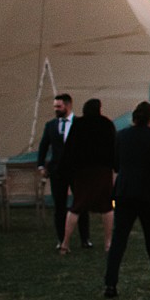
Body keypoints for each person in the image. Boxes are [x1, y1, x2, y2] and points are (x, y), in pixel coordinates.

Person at [103, 100, 150, 298]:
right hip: (147, 193)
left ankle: (110, 283)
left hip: (125, 192)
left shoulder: (122, 135)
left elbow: (116, 164)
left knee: (119, 239)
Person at [60, 98, 117, 254]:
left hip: (82, 172)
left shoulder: (78, 124)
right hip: (102, 171)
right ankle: (108, 243)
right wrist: (115, 167)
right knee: (106, 207)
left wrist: (68, 169)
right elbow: (114, 148)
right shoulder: (106, 124)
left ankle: (65, 243)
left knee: (76, 206)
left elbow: (69, 148)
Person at [37, 93, 79, 248]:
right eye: (55, 106)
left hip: (76, 170)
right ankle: (61, 238)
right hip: (57, 171)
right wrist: (41, 165)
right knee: (59, 206)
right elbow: (43, 146)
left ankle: (85, 238)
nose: (56, 109)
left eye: (59, 106)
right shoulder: (51, 125)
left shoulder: (79, 123)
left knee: (80, 203)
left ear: (68, 106)